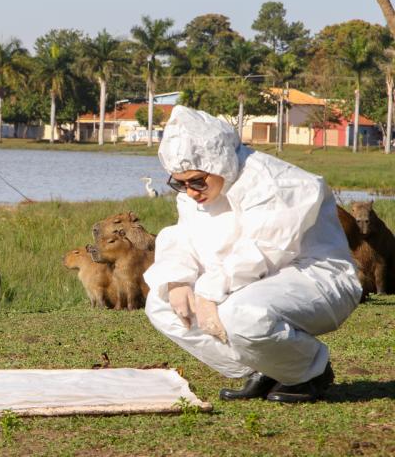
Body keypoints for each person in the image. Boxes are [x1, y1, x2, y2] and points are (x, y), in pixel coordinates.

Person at [143, 106, 362, 403]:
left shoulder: (276, 182)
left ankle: (308, 370)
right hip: (246, 283)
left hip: (316, 277)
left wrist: (207, 294)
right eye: (179, 183)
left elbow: (262, 251)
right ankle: (268, 367)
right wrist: (178, 281)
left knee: (243, 314)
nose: (190, 192)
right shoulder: (197, 192)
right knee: (162, 303)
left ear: (218, 162)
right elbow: (184, 237)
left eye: (196, 181)